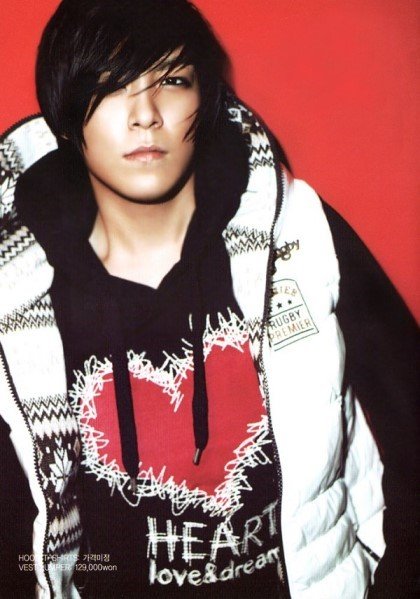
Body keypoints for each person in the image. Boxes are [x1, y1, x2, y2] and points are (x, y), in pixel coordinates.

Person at [0, 0, 417, 597]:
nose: (146, 114)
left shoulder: (297, 233)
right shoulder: (15, 289)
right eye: (111, 86)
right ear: (66, 118)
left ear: (207, 97)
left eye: (172, 81)